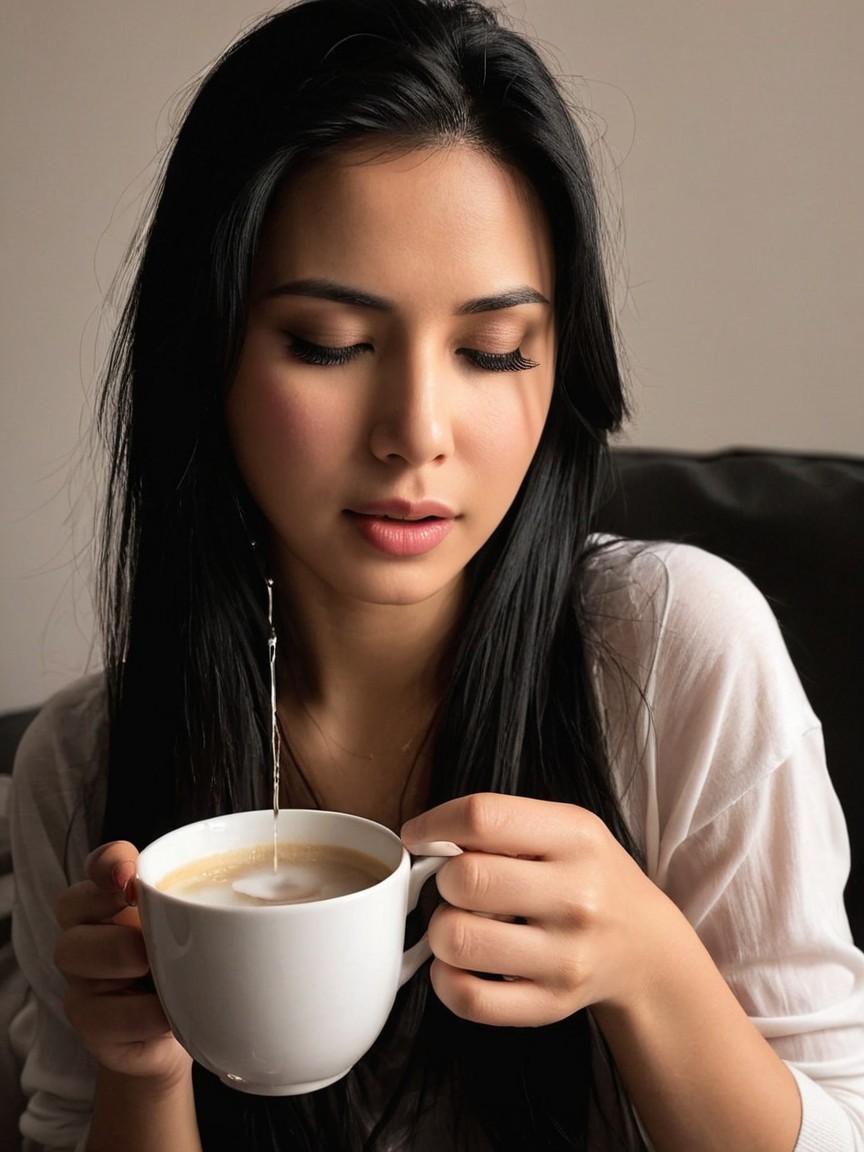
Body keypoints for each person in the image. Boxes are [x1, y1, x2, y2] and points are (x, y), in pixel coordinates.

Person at [9, 0, 864, 1149]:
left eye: (492, 351)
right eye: (329, 343)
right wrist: (144, 1072)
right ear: (204, 352)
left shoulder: (677, 653)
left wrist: (652, 967)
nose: (417, 431)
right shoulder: (81, 766)